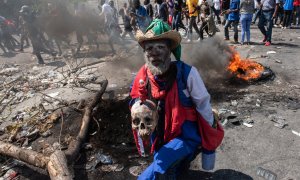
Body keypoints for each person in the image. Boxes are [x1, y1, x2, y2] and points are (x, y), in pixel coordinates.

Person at [129, 19, 224, 179]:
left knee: (157, 167)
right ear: (145, 52)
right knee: (172, 166)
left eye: (160, 47)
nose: (154, 52)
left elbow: (204, 106)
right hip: (159, 135)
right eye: (150, 48)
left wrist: (207, 141)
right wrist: (137, 105)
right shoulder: (143, 74)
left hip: (185, 135)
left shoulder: (187, 74)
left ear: (169, 50)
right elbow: (134, 98)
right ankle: (180, 167)